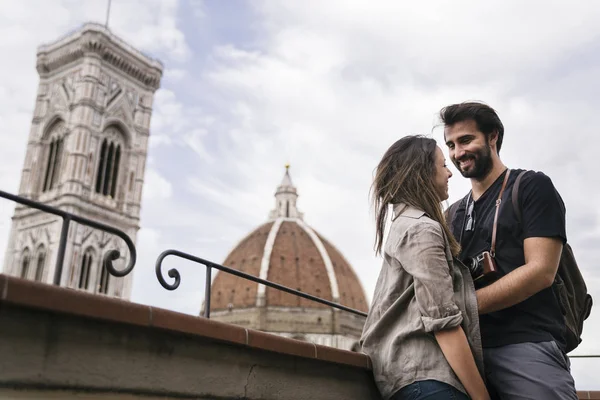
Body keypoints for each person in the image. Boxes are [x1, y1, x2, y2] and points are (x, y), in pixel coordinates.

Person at [440, 101, 578, 399]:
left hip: (527, 347)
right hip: (467, 355)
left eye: (466, 140)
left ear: (493, 137)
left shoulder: (530, 186)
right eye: (450, 144)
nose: (457, 153)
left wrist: (465, 307)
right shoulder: (452, 215)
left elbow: (540, 271)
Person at [361, 135, 490, 400]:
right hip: (428, 380)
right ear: (423, 173)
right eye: (443, 165)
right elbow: (444, 324)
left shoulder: (405, 224)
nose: (450, 173)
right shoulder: (422, 230)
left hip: (412, 380)